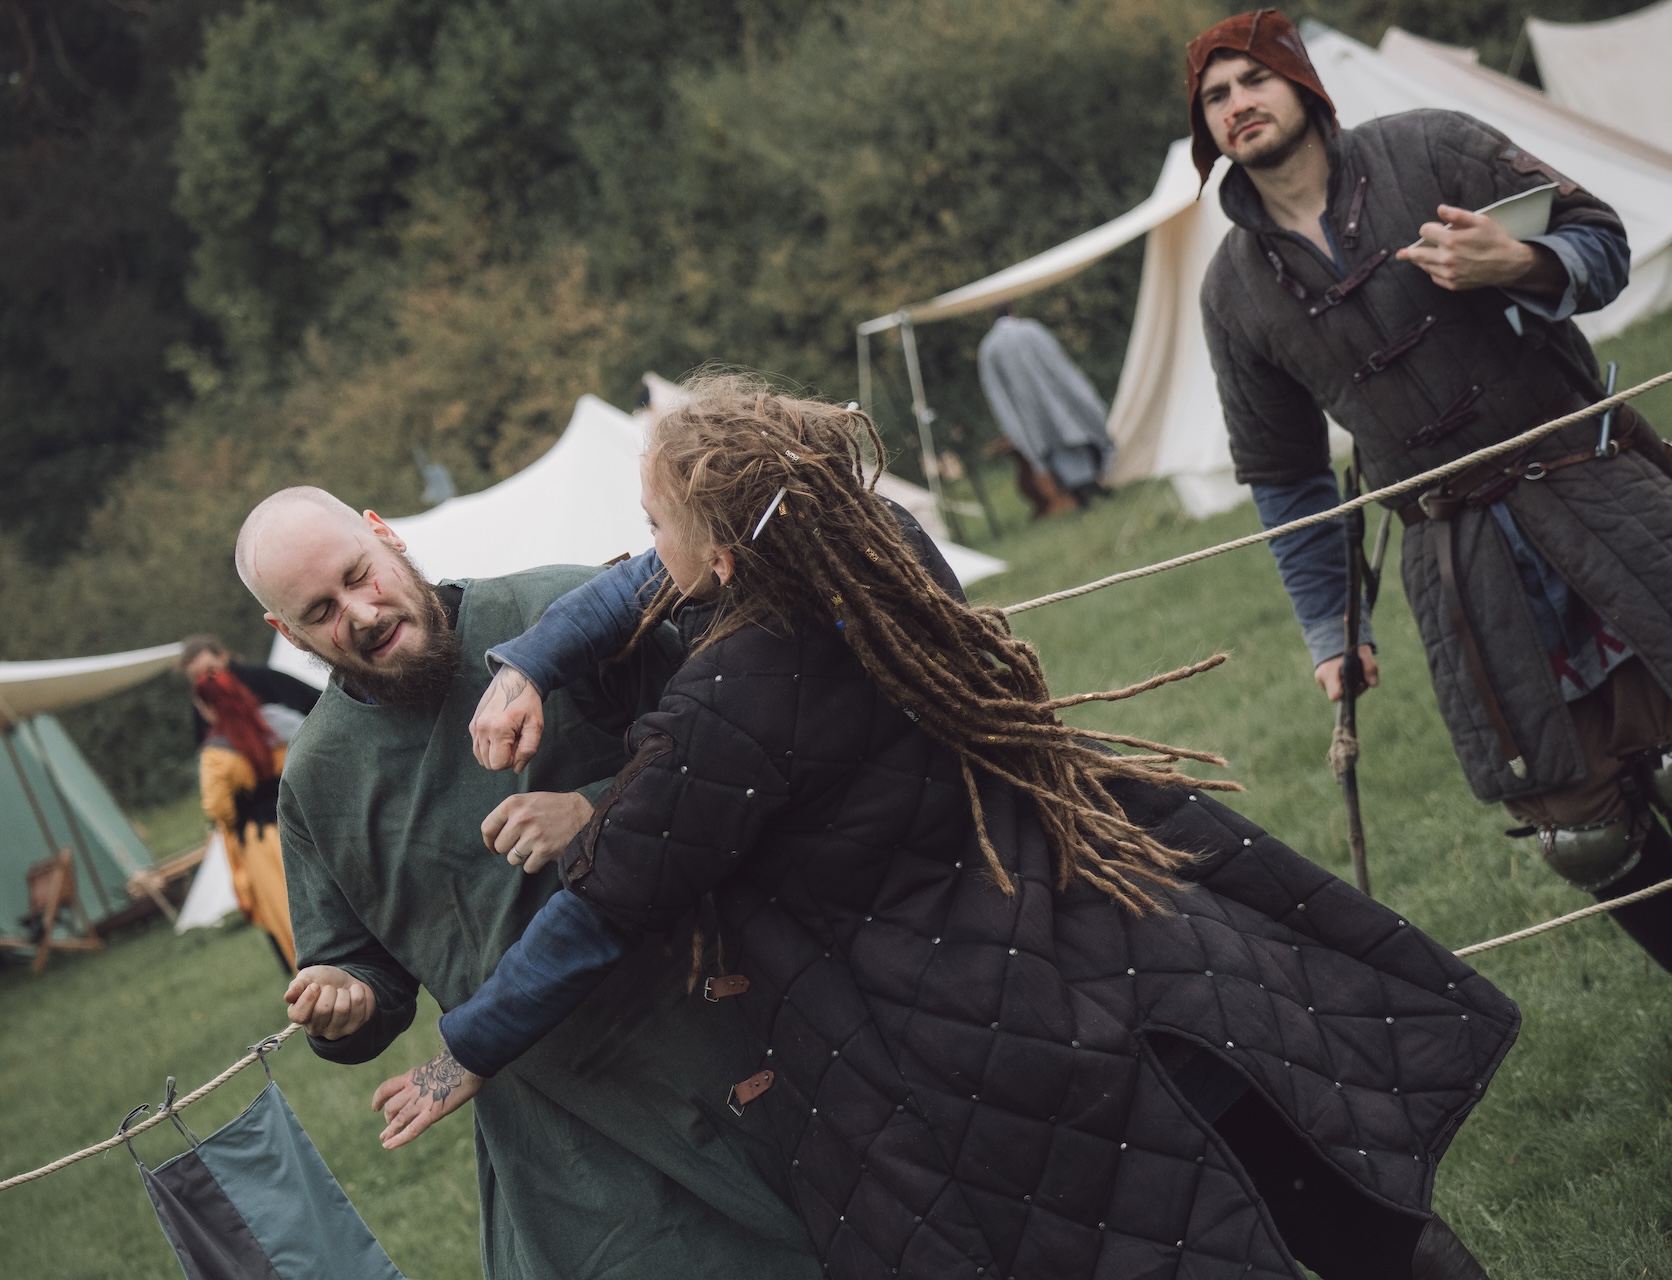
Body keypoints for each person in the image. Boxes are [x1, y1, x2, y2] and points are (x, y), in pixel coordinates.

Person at [372, 377, 1515, 1280]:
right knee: (1277, 1152)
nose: (644, 551)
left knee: (1145, 1221)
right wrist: (532, 660)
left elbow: (605, 902)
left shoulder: (731, 702)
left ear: (723, 553)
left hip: (969, 1009)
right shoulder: (880, 549)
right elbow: (641, 588)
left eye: (654, 524)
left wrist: (465, 1044)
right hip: (1095, 902)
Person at [233, 486, 820, 1279]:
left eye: (358, 574)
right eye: (321, 611)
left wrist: (597, 808)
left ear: (384, 534)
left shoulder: (561, 614)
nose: (361, 613)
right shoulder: (316, 780)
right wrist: (350, 997)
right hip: (563, 1148)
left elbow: (750, 750)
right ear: (286, 632)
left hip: (729, 1053)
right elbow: (362, 966)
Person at [1191, 10, 1672, 968]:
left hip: (1595, 491)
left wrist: (1522, 262)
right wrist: (1332, 627)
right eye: (1215, 95)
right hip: (1468, 566)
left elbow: (1602, 240)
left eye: (1255, 79)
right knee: (1583, 829)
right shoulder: (1233, 289)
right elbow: (1287, 477)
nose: (1238, 103)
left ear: (1302, 84)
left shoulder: (1433, 147)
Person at [195, 668, 297, 973]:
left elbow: (218, 808)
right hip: (303, 822)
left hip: (262, 841)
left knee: (288, 914)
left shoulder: (216, 753)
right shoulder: (279, 723)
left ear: (208, 707)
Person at [977, 305, 1117, 517]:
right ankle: (1087, 489)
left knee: (1056, 449)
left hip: (1031, 417)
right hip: (1060, 403)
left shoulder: (989, 348)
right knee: (1073, 438)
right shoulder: (1032, 330)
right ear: (1013, 310)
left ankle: (1084, 491)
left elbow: (997, 393)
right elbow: (1059, 364)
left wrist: (1013, 424)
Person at [181, 634, 321, 746]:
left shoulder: (262, 677)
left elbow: (315, 701)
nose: (206, 679)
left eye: (210, 670)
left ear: (223, 657)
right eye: (197, 676)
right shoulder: (203, 704)